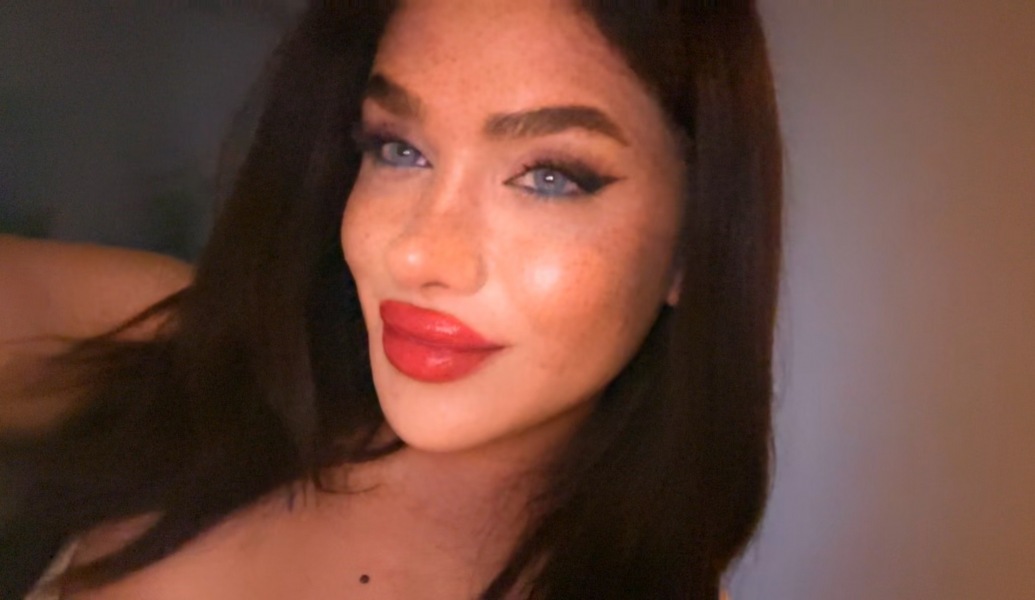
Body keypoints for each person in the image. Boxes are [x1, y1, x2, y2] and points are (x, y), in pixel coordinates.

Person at [1, 1, 782, 598]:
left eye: (549, 177)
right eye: (399, 149)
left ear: (690, 248)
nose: (415, 253)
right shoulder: (193, 350)